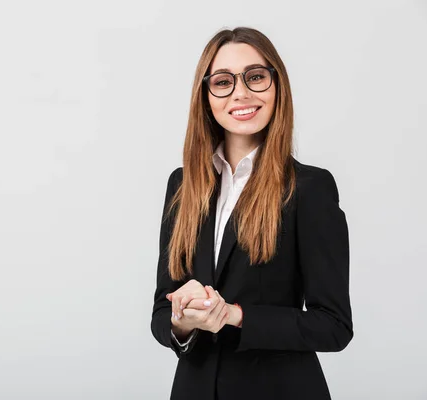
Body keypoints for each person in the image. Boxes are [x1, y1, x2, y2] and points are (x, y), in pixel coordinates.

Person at [150, 27, 353, 400]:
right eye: (223, 82)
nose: (241, 93)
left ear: (277, 86)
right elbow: (162, 313)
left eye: (255, 77)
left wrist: (234, 315)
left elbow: (334, 326)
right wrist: (182, 321)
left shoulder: (309, 188)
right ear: (206, 96)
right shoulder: (182, 185)